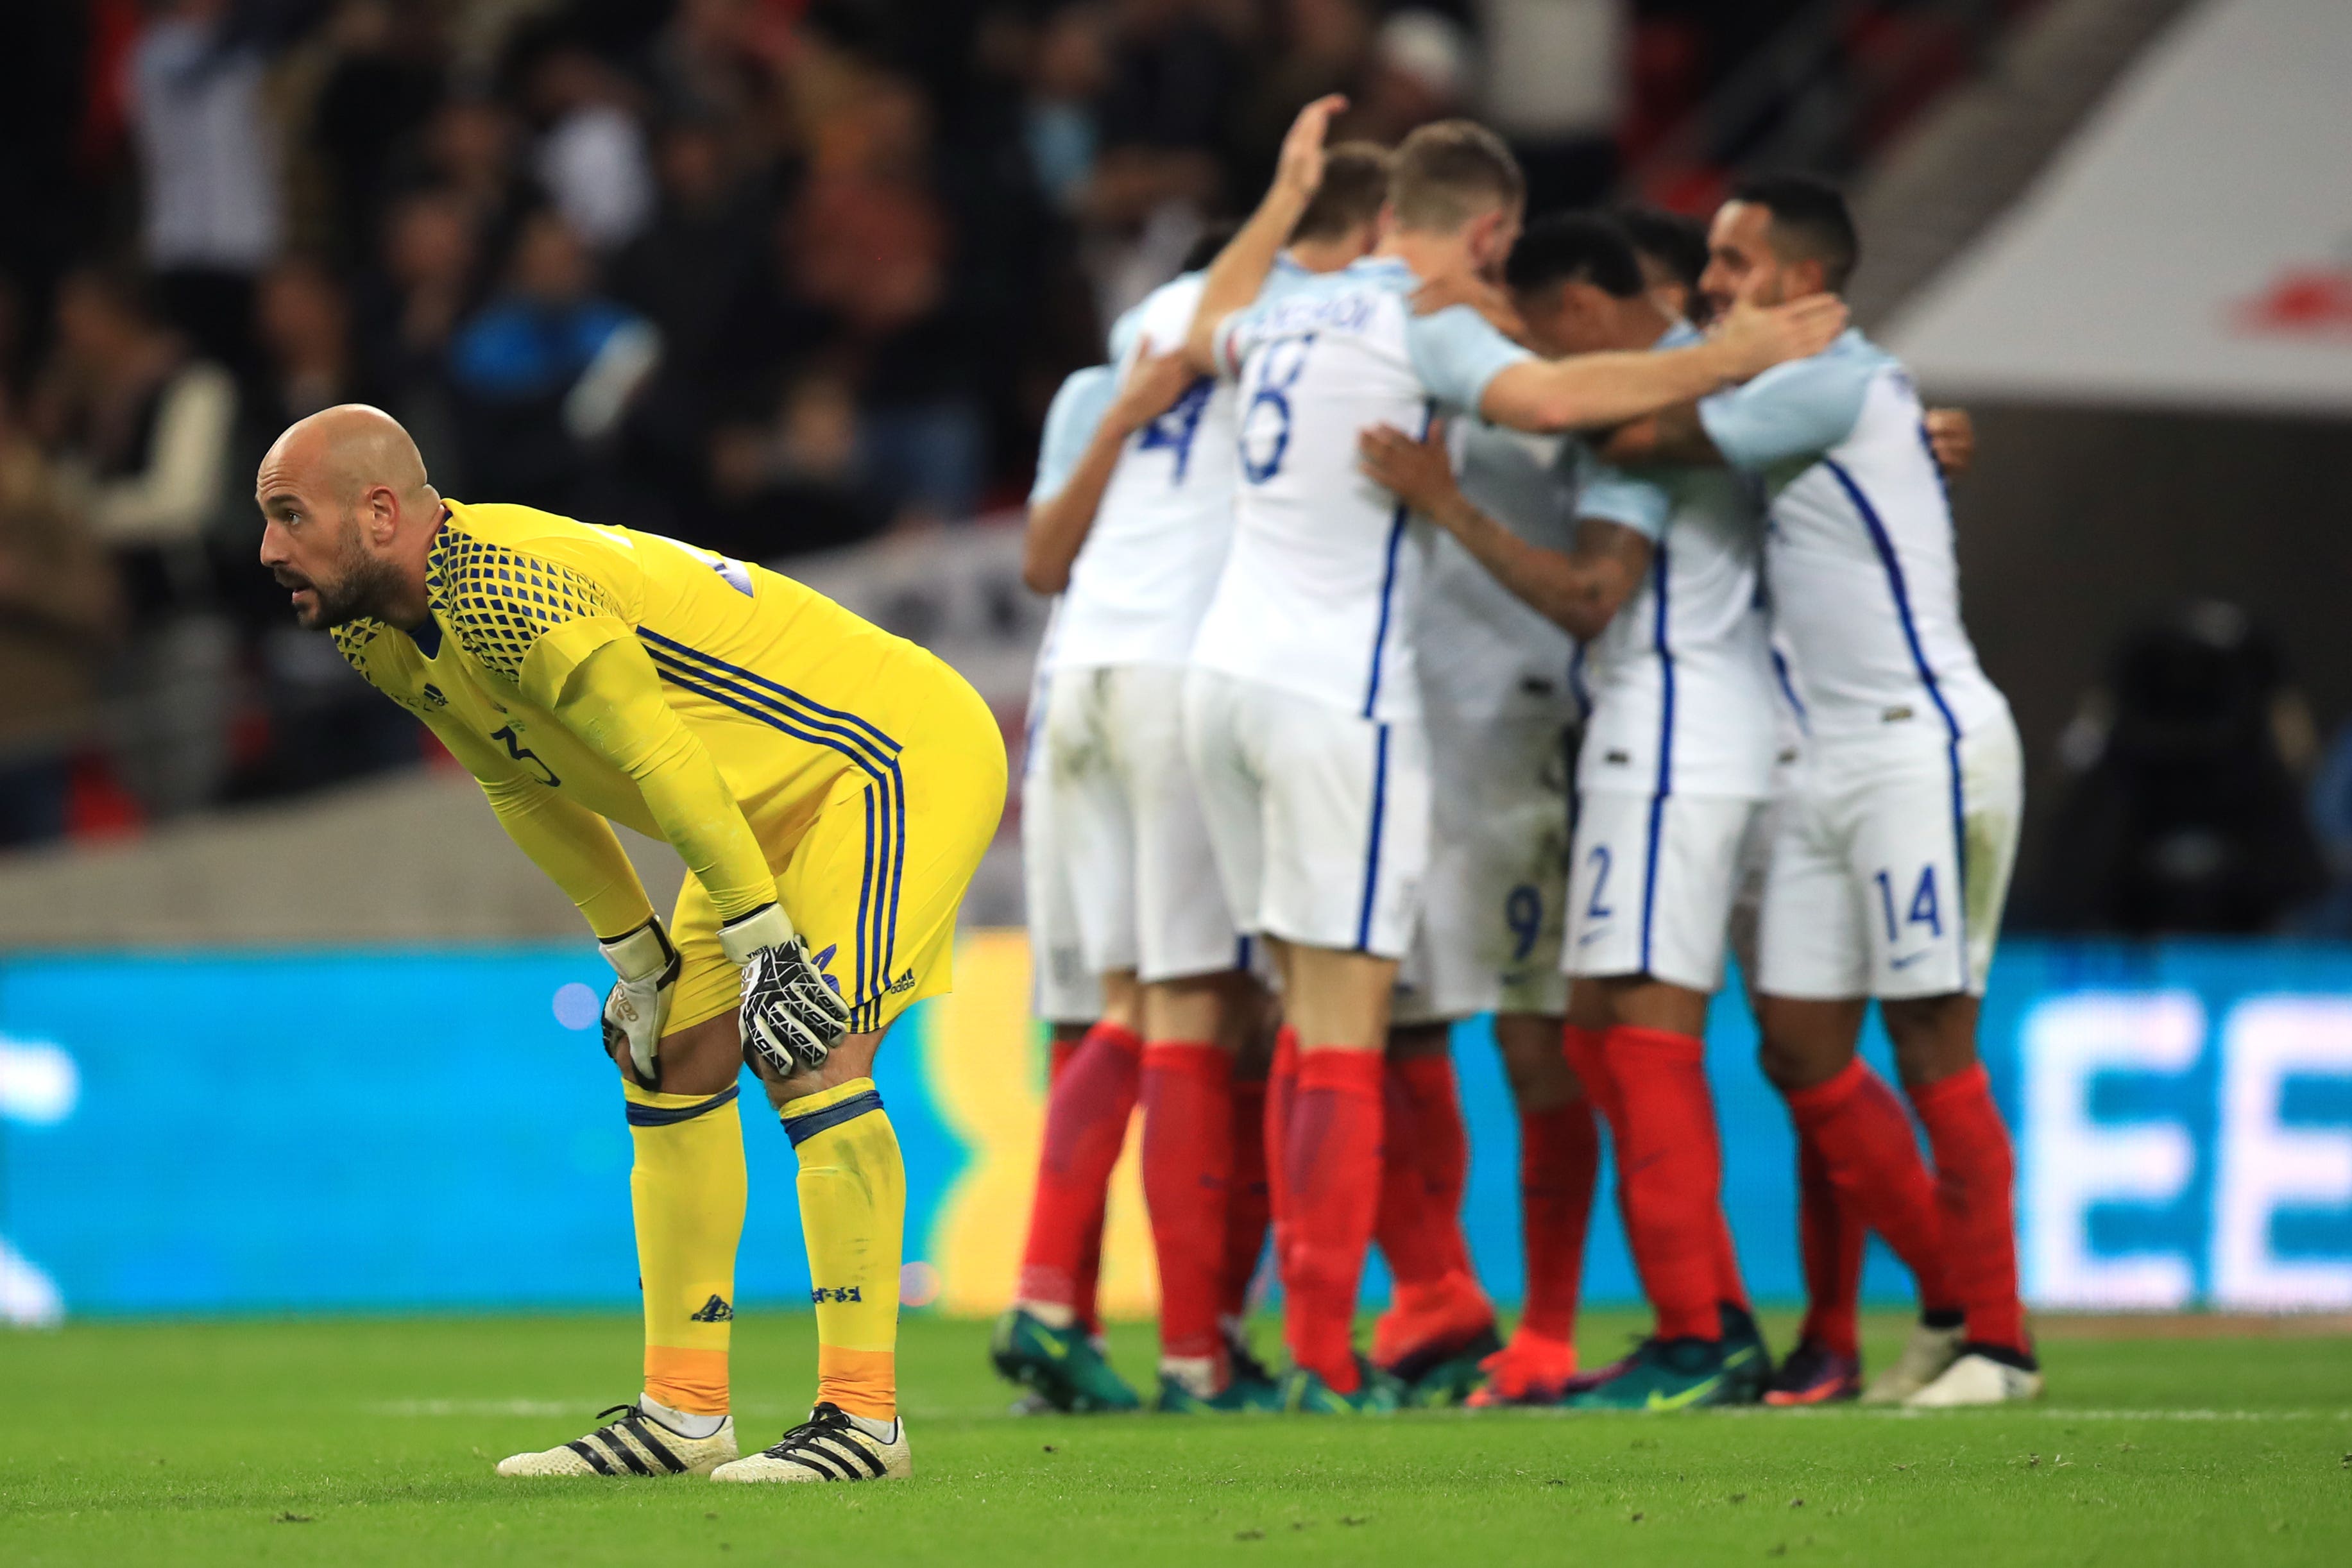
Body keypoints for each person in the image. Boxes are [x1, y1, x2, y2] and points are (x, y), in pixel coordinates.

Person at [1178, 118, 1845, 1411]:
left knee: (1303, 1017)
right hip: (1337, 696)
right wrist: (1732, 355)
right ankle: (1321, 1355)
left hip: (1227, 683)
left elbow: (1200, 322)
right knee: (1345, 1034)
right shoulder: (1419, 317)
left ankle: (1324, 1341)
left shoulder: (1284, 307)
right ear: (1490, 234)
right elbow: (1547, 397)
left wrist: (1281, 200)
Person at [253, 404, 1006, 1480]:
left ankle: (863, 1420)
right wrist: (640, 961)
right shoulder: (379, 631)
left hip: (886, 762)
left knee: (807, 1046)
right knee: (670, 1059)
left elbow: (657, 760)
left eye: (290, 514)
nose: (270, 547)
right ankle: (684, 1413)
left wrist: (764, 947)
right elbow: (518, 782)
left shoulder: (505, 583)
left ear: (380, 514)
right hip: (747, 814)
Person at [1601, 175, 2037, 1407]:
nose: (1711, 290)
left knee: (1930, 1038)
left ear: (1801, 285)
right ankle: (1946, 1297)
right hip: (1817, 758)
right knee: (1799, 1046)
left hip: (1917, 745)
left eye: (1734, 267)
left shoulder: (1832, 379)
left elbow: (1640, 433)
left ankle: (1997, 1344)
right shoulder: (1834, 392)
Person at [998, 123, 1397, 1415]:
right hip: (1189, 672)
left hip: (1086, 676)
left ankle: (1057, 1298)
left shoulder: (1165, 316)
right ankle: (1186, 1349)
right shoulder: (1314, 328)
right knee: (1185, 1015)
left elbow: (1048, 557)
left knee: (1122, 1004)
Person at [1359, 213, 1782, 1410]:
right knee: (1445, 1031)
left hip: (1563, 741)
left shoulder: (1590, 413)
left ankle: (1598, 1329)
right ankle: (1475, 1298)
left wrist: (1906, 425)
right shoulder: (1447, 363)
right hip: (1434, 742)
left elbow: (1601, 577)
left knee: (1562, 1045)